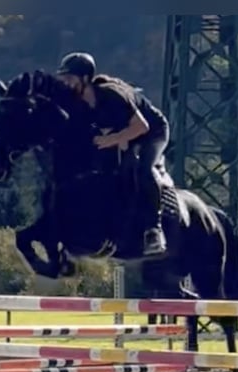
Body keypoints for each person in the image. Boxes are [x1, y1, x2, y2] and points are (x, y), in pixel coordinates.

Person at [56, 51, 169, 257]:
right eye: (63, 79)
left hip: (152, 132)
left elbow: (141, 127)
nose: (65, 84)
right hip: (122, 135)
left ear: (85, 79)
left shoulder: (111, 95)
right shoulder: (78, 104)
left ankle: (154, 231)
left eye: (69, 79)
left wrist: (112, 139)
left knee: (142, 169)